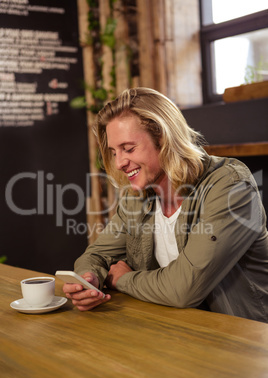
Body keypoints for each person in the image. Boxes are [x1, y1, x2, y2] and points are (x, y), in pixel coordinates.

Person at [63, 87, 268, 322]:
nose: (119, 162)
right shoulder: (136, 197)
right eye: (113, 152)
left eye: (128, 149)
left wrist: (122, 279)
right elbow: (97, 254)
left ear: (163, 138)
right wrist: (88, 279)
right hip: (174, 332)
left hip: (244, 342)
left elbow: (184, 289)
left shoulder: (231, 186)